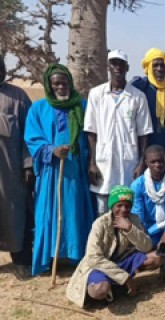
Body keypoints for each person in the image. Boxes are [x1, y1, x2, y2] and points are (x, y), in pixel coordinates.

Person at [25, 64, 96, 276]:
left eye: (64, 83)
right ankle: (51, 256)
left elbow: (92, 136)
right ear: (49, 85)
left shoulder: (82, 106)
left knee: (74, 213)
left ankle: (75, 255)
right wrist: (52, 150)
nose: (61, 87)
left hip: (76, 170)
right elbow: (32, 138)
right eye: (56, 83)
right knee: (49, 214)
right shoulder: (38, 109)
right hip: (51, 172)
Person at [66, 185, 163, 308]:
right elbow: (94, 258)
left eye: (127, 206)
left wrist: (130, 229)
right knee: (100, 290)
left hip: (122, 262)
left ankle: (117, 287)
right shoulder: (100, 224)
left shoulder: (133, 220)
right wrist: (125, 277)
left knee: (157, 258)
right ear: (112, 206)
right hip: (99, 267)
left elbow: (147, 247)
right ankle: (102, 287)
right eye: (119, 206)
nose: (123, 210)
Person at [84, 49, 153, 214]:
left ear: (127, 67)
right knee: (102, 210)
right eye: (114, 63)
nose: (117, 68)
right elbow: (91, 131)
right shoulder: (96, 94)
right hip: (103, 162)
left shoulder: (138, 96)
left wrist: (141, 162)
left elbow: (143, 132)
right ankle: (105, 241)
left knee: (127, 208)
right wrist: (92, 162)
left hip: (128, 163)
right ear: (108, 66)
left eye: (121, 64)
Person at [0, 54, 34, 278]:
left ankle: (21, 259)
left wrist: (27, 166)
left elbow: (28, 135)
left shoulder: (17, 96)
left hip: (10, 172)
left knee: (16, 213)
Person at [131, 145, 165, 285]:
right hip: (149, 229)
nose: (157, 165)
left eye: (160, 161)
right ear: (146, 163)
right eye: (153, 162)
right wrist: (145, 240)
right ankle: (156, 255)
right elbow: (137, 217)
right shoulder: (138, 185)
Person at [131, 48, 165, 165]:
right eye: (155, 65)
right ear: (148, 67)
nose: (159, 69)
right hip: (143, 155)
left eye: (162, 65)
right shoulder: (139, 88)